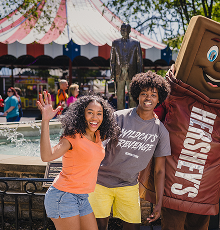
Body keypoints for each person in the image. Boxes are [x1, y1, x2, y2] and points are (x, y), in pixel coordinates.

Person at [88, 71, 171, 230]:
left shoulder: (161, 132)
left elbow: (160, 170)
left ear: (159, 99)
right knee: (98, 226)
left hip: (128, 185)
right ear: (136, 95)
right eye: (144, 93)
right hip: (100, 182)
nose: (148, 98)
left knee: (133, 227)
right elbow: (95, 146)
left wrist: (159, 203)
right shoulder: (118, 118)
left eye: (153, 95)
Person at [37, 92, 118, 230]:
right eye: (90, 112)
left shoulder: (98, 135)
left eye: (99, 113)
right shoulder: (73, 137)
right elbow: (47, 156)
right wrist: (45, 121)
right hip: (63, 196)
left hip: (82, 197)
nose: (95, 117)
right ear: (82, 114)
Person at [111, 24, 143, 110]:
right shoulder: (115, 43)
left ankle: (132, 115)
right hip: (119, 73)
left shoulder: (136, 43)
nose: (122, 31)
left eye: (124, 30)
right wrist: (112, 75)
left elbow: (139, 62)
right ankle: (120, 116)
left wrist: (139, 76)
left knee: (132, 97)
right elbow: (112, 61)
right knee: (120, 97)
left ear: (129, 31)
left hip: (132, 74)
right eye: (121, 30)